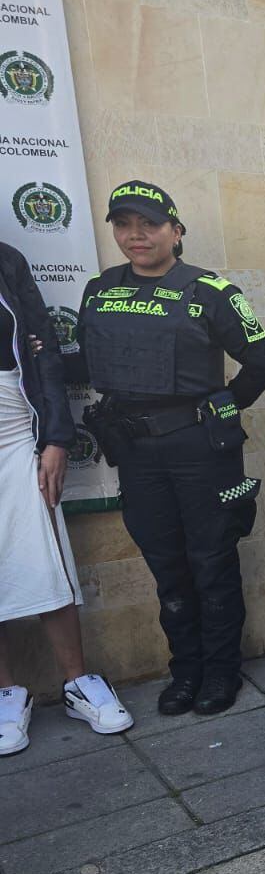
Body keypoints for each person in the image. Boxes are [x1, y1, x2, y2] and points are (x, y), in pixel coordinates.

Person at [77, 182, 265, 716]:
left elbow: (262, 365)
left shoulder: (211, 291)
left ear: (176, 231)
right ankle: (184, 672)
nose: (135, 236)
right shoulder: (99, 291)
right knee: (167, 568)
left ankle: (220, 673)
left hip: (200, 451)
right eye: (123, 225)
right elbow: (92, 364)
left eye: (148, 224)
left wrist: (219, 408)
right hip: (137, 454)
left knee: (211, 562)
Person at [0, 240, 132, 754]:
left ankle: (78, 683)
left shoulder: (7, 259)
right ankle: (8, 691)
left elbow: (44, 354)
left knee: (45, 556)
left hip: (15, 427)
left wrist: (56, 438)